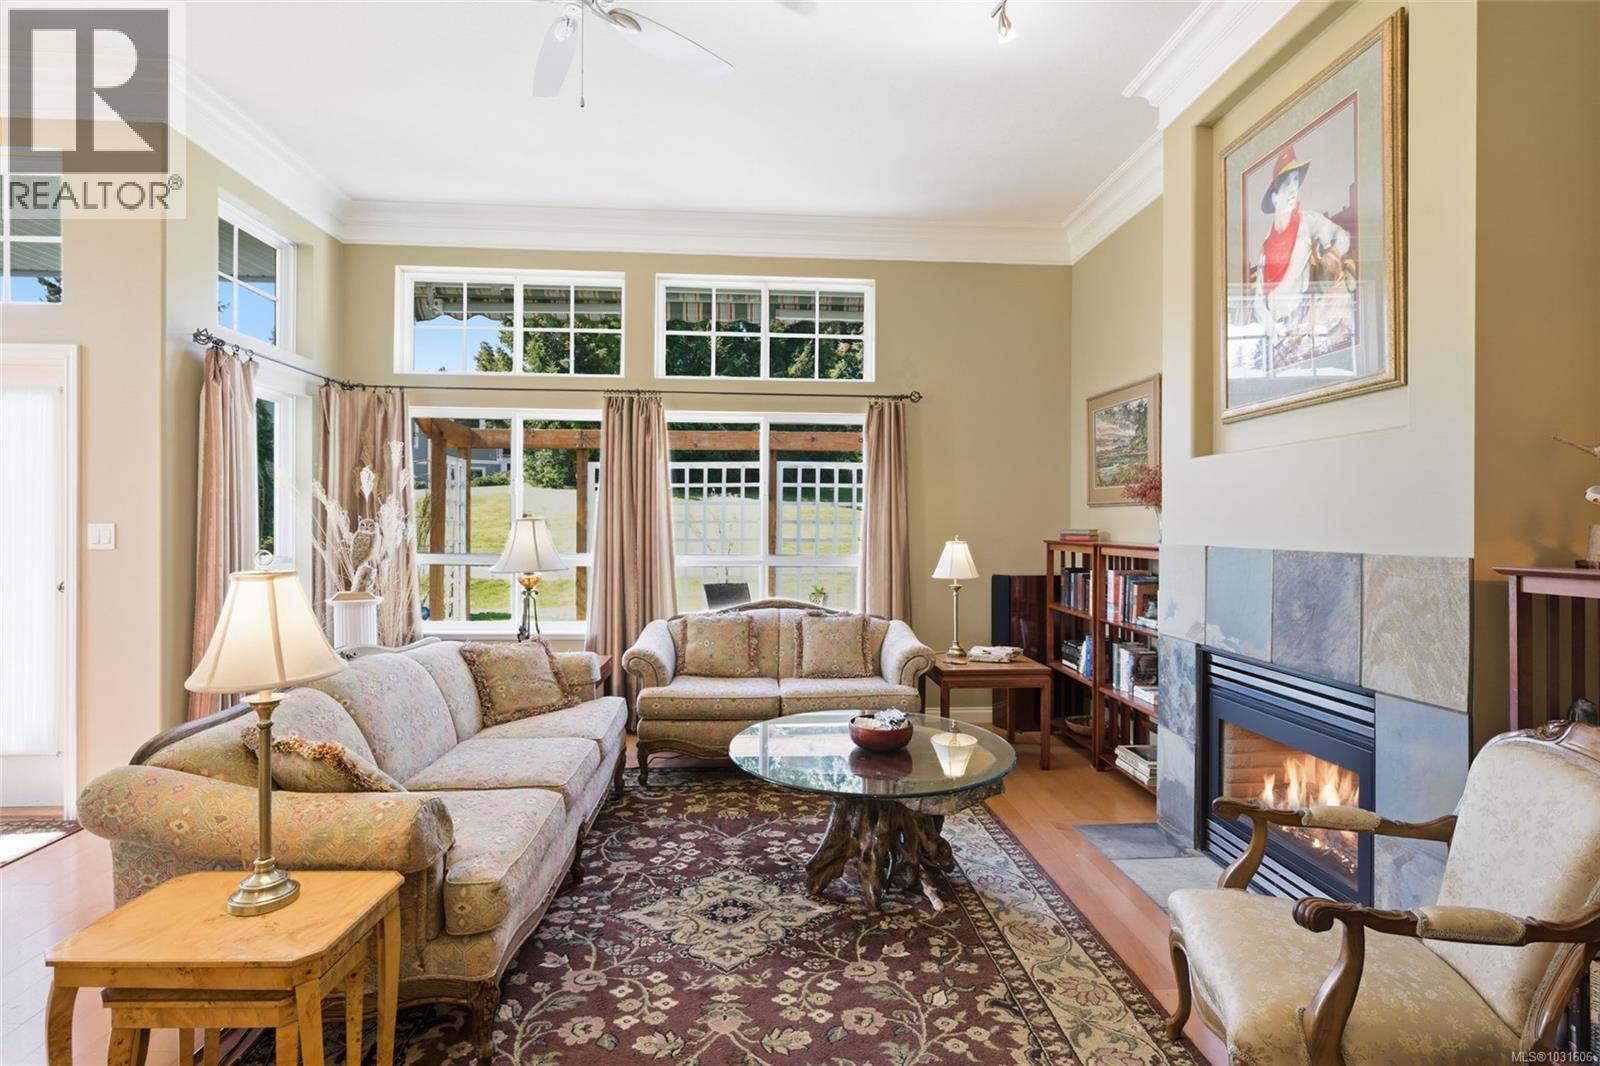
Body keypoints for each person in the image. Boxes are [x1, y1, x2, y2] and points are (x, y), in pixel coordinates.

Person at [1250, 147, 1355, 368]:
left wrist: (1333, 253)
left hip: (1304, 323)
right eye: (1287, 184)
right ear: (1274, 197)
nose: (1293, 190)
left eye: (1296, 183)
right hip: (1279, 336)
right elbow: (1258, 302)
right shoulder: (1265, 249)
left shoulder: (1308, 222)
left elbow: (1342, 237)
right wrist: (1272, 328)